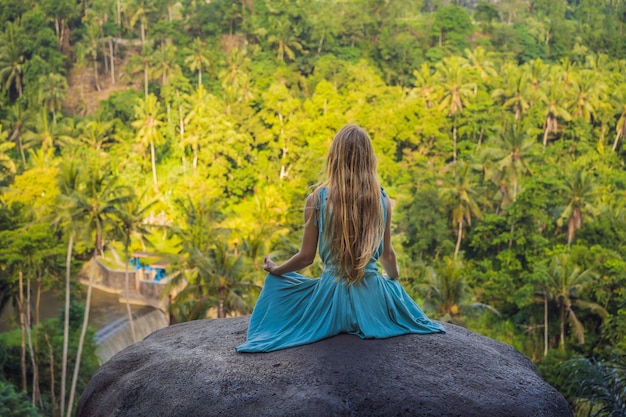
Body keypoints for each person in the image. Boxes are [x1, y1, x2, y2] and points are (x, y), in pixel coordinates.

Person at [236, 124, 445, 353]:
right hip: (372, 303)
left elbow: (306, 258)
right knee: (391, 285)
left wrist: (277, 271)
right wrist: (393, 277)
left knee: (277, 284)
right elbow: (387, 254)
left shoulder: (317, 200)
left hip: (330, 300)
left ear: (334, 158)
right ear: (369, 159)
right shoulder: (382, 201)